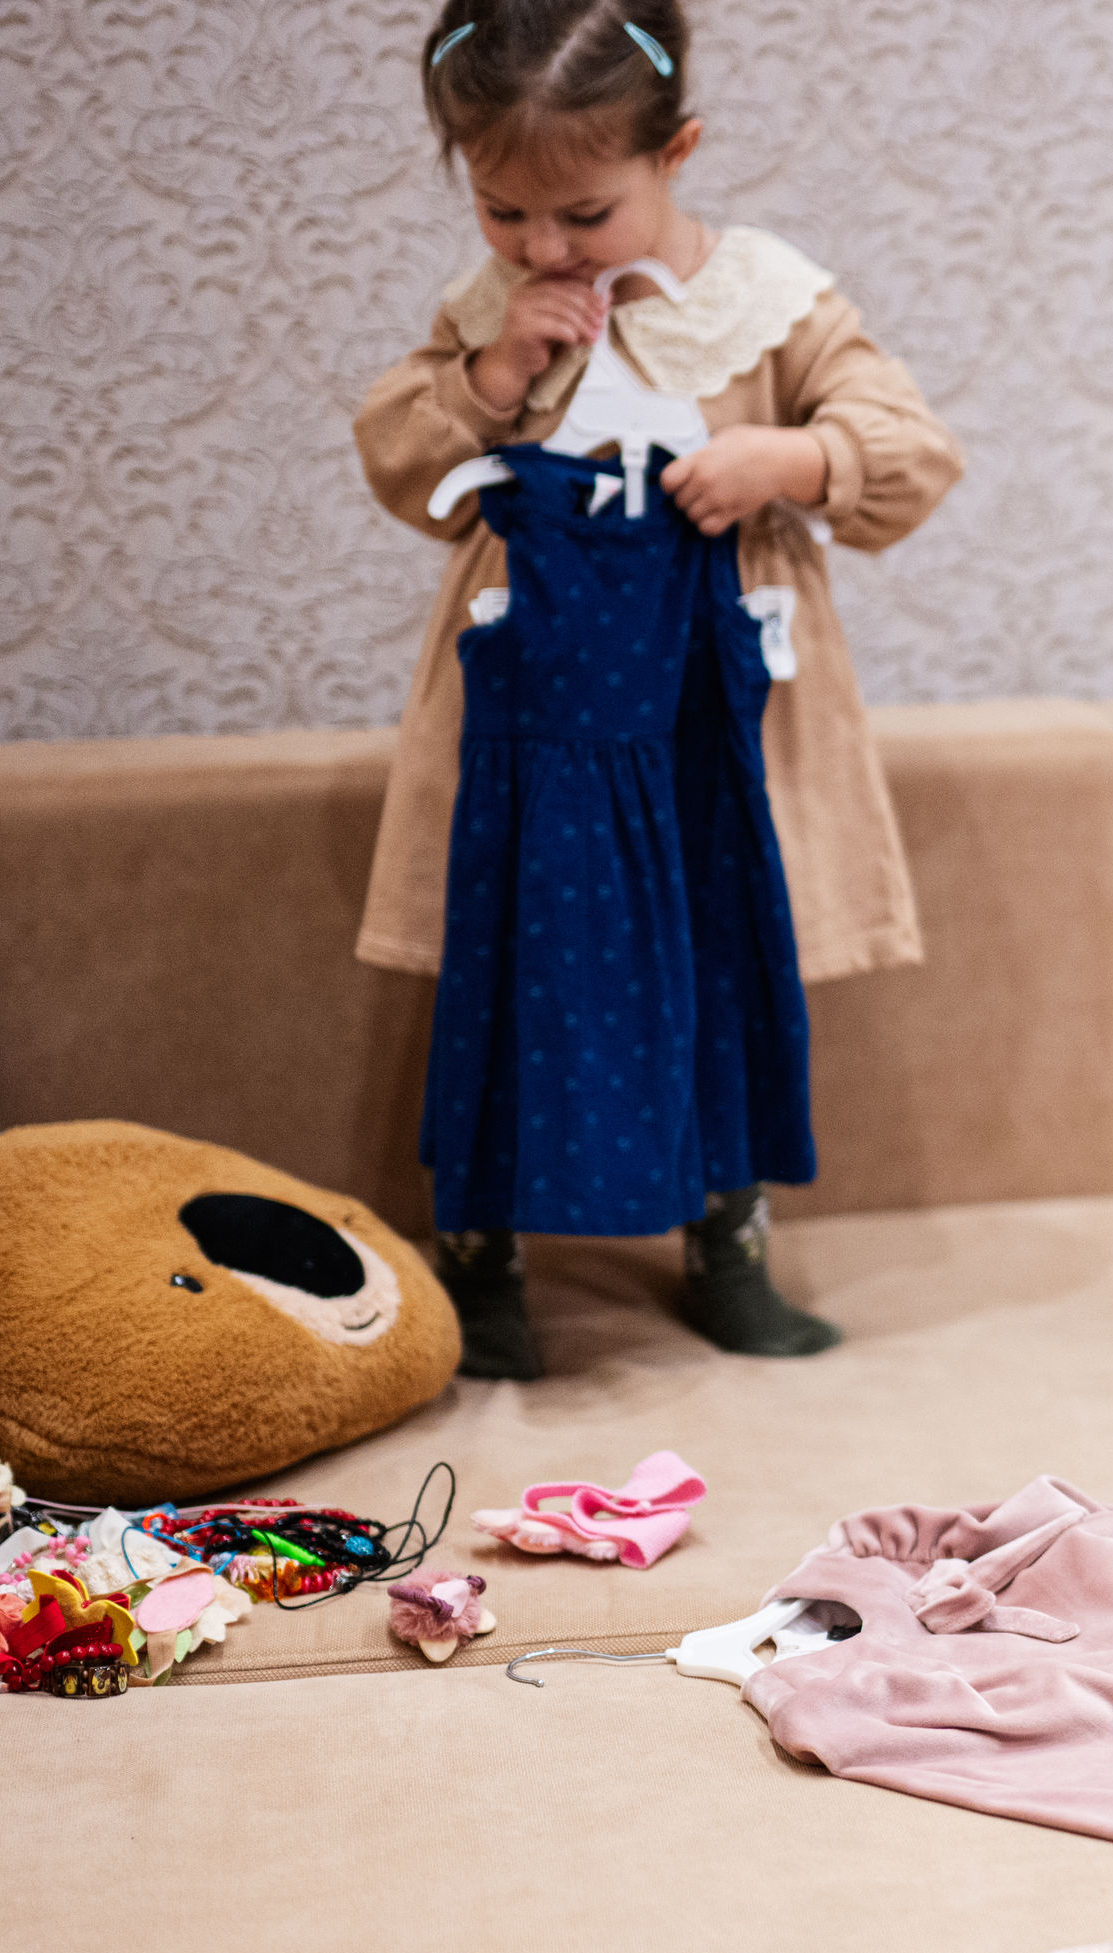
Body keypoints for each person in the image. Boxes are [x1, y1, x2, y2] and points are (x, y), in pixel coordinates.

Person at [353, 0, 959, 1379]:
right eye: (506, 213)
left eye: (582, 213)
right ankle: (483, 1253)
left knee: (718, 949)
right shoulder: (489, 318)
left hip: (715, 705)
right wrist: (496, 372)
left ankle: (727, 1237)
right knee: (515, 955)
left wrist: (792, 466)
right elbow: (401, 467)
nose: (545, 250)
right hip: (535, 711)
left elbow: (910, 448)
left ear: (676, 152)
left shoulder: (768, 306)